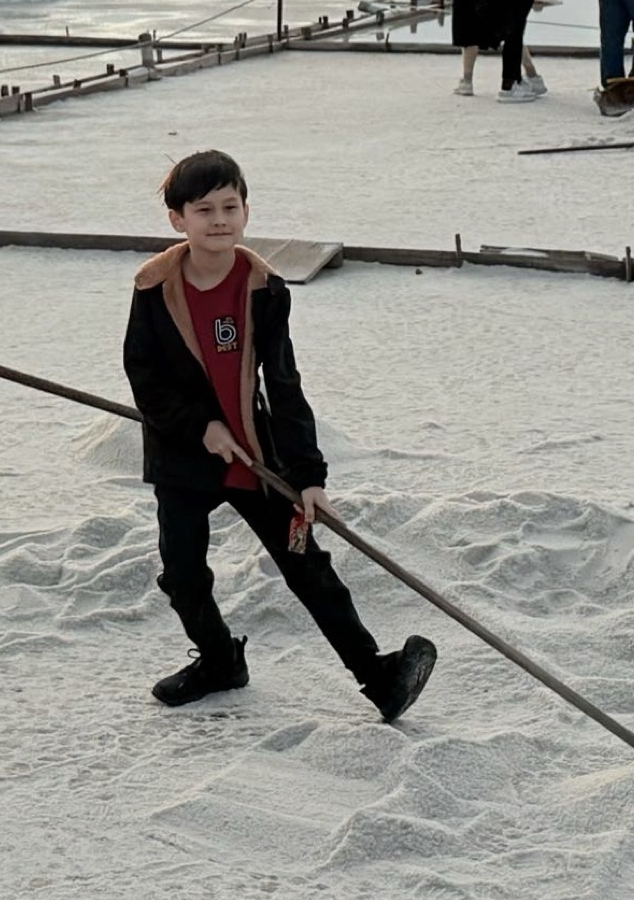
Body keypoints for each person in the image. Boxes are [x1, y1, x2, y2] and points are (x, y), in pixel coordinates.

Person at [121, 149, 436, 719]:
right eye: (203, 209)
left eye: (230, 206)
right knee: (183, 574)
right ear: (177, 219)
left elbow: (284, 383)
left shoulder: (264, 288)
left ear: (245, 211)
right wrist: (201, 427)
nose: (219, 220)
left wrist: (309, 476)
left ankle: (378, 675)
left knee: (306, 565)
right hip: (182, 460)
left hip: (257, 458)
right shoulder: (152, 290)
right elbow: (145, 379)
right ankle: (219, 660)